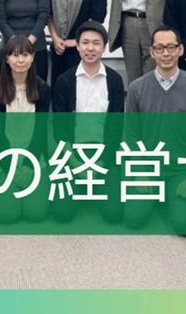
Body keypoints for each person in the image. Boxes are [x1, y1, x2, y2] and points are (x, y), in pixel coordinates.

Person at [124, 26, 186, 233]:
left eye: (171, 47)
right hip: (148, 167)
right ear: (152, 52)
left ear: (180, 50)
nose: (166, 53)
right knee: (133, 219)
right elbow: (131, 136)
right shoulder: (136, 88)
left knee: (184, 225)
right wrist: (139, 172)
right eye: (160, 48)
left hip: (180, 170)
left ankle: (168, 197)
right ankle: (159, 197)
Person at [51, 20, 125, 223]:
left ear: (104, 47)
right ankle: (82, 187)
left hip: (103, 155)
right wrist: (77, 164)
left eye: (96, 43)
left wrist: (99, 164)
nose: (90, 48)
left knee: (114, 214)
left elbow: (116, 129)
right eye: (85, 42)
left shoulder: (114, 81)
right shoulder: (64, 81)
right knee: (62, 213)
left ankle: (92, 186)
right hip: (72, 154)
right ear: (77, 45)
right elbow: (60, 131)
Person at [0, 36, 51, 224]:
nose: (20, 60)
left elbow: (40, 132)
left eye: (25, 55)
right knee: (7, 215)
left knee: (36, 213)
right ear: (6, 59)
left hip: (34, 157)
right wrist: (12, 170)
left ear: (33, 58)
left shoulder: (43, 89)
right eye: (15, 55)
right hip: (4, 158)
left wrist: (29, 167)